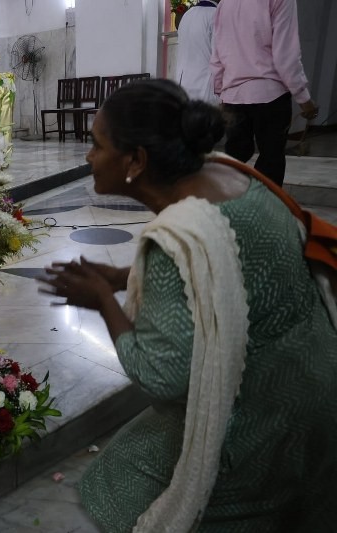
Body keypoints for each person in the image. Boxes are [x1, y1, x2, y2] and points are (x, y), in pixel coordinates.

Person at [38, 79, 337, 532]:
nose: (88, 157)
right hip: (317, 374)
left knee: (121, 480)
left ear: (136, 160)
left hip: (266, 415)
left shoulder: (179, 235)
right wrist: (121, 278)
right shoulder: (230, 174)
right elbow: (221, 269)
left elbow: (161, 377)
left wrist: (102, 300)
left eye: (97, 145)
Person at [210, 0, 318, 186]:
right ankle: (265, 203)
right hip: (270, 95)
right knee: (270, 160)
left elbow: (217, 55)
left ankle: (226, 200)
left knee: (235, 157)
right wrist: (303, 97)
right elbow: (285, 54)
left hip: (233, 96)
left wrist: (221, 91)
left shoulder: (225, 3)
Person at [176, 0, 219, 104]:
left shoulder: (187, 14)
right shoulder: (216, 15)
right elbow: (219, 55)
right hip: (205, 86)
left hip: (183, 83)